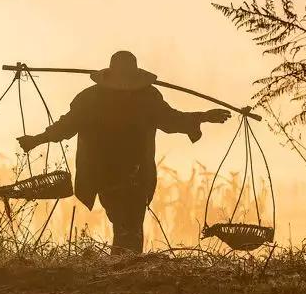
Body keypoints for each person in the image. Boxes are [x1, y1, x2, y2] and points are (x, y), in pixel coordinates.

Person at [17, 51, 230, 254]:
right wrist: (36, 140)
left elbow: (171, 119)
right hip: (111, 173)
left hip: (127, 174)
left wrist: (203, 116)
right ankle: (126, 268)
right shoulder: (106, 98)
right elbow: (66, 126)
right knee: (128, 225)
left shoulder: (133, 97)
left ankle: (124, 268)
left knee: (127, 225)